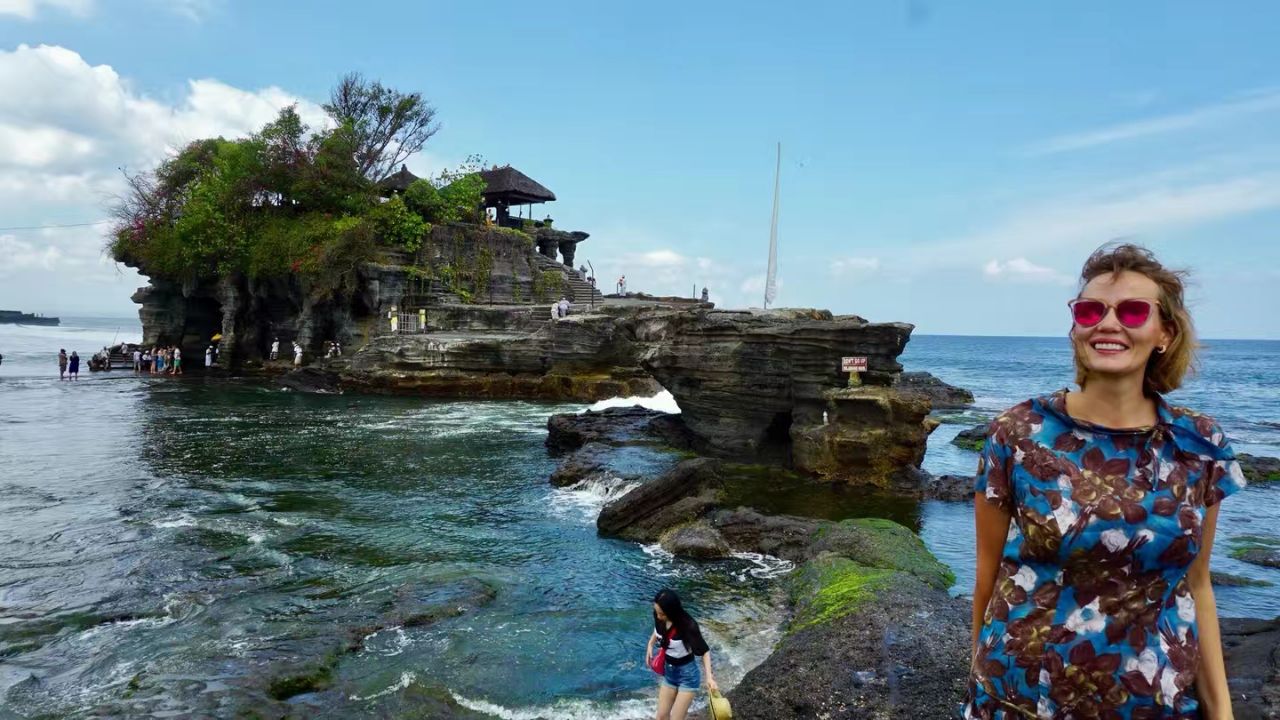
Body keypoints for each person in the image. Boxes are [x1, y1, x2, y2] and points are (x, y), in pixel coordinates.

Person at [963, 244, 1247, 719]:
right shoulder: (1016, 433)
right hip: (1023, 698)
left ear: (1164, 334)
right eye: (1091, 310)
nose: (1108, 323)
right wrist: (981, 687)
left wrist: (1222, 712)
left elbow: (1197, 586)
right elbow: (986, 580)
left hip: (1153, 701)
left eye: (1133, 311)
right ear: (1076, 328)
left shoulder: (1199, 444)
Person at [646, 588, 717, 720]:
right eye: (656, 612)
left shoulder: (688, 626)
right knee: (661, 717)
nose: (658, 616)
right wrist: (650, 644)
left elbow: (705, 652)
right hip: (669, 673)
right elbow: (657, 631)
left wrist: (709, 678)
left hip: (688, 676)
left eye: (662, 613)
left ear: (672, 612)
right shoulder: (658, 616)